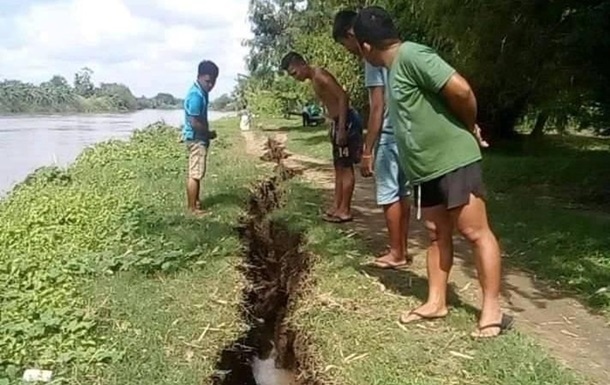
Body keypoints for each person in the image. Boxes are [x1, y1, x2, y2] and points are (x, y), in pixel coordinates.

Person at [353, 6, 507, 338]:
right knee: (437, 234)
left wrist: (470, 127)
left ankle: (492, 309)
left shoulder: (412, 55)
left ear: (366, 47)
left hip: (452, 160)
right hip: (424, 171)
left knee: (475, 232)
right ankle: (436, 302)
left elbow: (462, 90)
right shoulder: (393, 70)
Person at [333, 10, 412, 268]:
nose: (348, 50)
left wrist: (368, 150)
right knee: (403, 193)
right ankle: (403, 246)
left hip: (389, 134)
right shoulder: (395, 50)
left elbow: (377, 106)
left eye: (345, 44)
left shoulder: (371, 59)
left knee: (389, 194)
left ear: (351, 35)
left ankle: (396, 252)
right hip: (407, 132)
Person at [280, 52, 363, 223]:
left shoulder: (320, 76)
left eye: (294, 73)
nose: (295, 78)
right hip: (337, 121)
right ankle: (337, 206)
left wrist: (341, 128)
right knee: (338, 167)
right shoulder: (314, 80)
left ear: (302, 63)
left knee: (346, 167)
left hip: (346, 121)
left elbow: (342, 97)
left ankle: (345, 210)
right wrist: (332, 123)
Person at [182, 60, 219, 216]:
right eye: (207, 81)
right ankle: (193, 209)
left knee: (198, 173)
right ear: (199, 77)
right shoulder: (196, 96)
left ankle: (196, 202)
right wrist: (208, 133)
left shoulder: (201, 92)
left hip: (199, 139)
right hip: (197, 139)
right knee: (195, 174)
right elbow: (194, 122)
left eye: (213, 82)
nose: (210, 85)